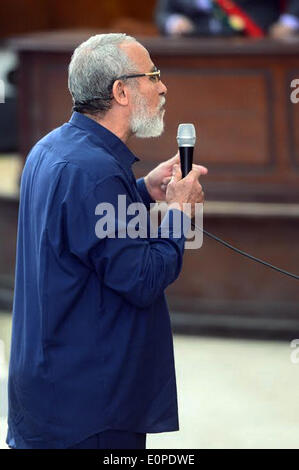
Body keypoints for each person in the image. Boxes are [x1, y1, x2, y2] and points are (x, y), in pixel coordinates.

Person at [6, 33, 208, 449]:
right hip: (90, 407)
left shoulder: (52, 148)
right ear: (120, 91)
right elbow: (144, 279)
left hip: (51, 390)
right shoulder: (95, 172)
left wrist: (139, 190)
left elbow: (81, 227)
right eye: (153, 75)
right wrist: (177, 213)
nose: (163, 86)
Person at [155, 0, 299, 38]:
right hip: (196, 42)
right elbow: (163, 13)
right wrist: (173, 22)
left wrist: (289, 21)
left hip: (256, 40)